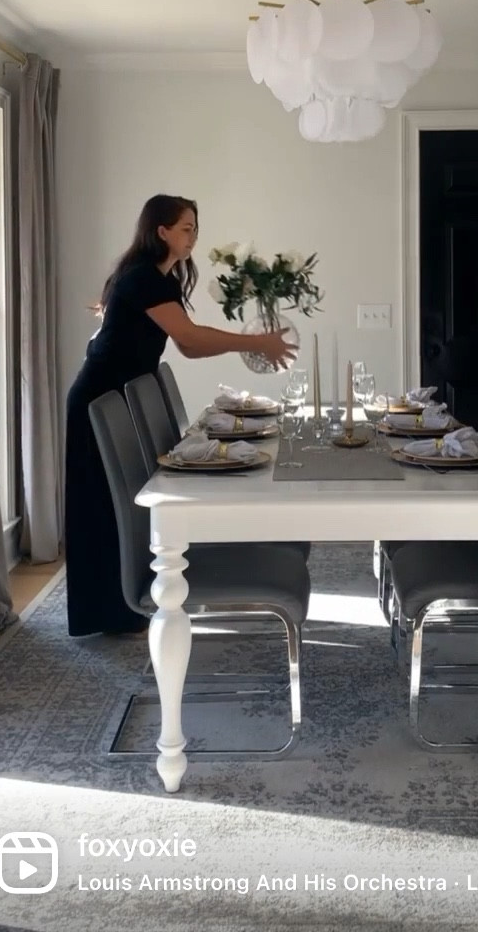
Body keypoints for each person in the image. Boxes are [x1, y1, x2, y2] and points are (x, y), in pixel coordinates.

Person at [64, 194, 296, 637]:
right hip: (99, 398)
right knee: (102, 506)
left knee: (114, 507)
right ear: (162, 231)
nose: (192, 236)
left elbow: (186, 346)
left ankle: (117, 610)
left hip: (117, 394)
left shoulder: (158, 278)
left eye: (195, 228)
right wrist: (256, 343)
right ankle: (109, 611)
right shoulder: (143, 278)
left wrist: (253, 343)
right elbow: (189, 336)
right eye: (186, 228)